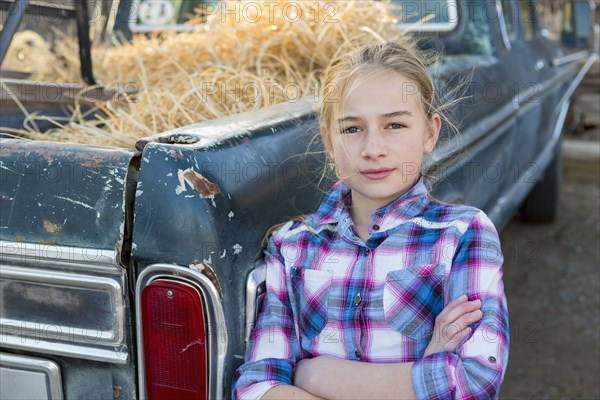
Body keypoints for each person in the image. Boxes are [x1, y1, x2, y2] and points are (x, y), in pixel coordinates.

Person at [232, 42, 509, 400]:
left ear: (429, 133)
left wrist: (315, 375)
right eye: (351, 129)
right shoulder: (292, 246)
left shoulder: (462, 235)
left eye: (394, 124)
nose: (372, 148)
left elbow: (474, 380)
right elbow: (257, 386)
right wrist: (425, 371)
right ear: (329, 141)